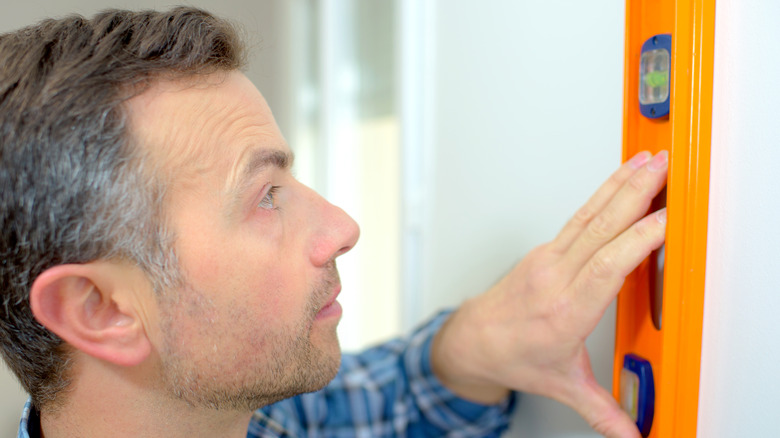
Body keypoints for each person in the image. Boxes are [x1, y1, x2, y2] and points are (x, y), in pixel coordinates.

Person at [0, 7, 667, 438]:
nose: (343, 226)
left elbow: (390, 393)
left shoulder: (257, 414)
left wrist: (478, 342)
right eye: (265, 197)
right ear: (100, 308)